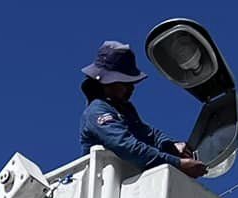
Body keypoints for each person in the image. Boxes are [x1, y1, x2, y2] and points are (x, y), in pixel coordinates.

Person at [78, 41, 206, 178]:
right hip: (105, 187)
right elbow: (128, 148)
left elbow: (150, 134)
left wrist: (171, 145)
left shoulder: (124, 109)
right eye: (125, 83)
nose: (131, 88)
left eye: (131, 83)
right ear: (106, 83)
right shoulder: (97, 111)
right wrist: (178, 164)